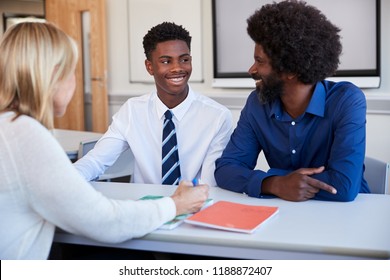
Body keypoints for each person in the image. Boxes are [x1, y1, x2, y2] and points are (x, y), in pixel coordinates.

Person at [0, 21, 208, 260]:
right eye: (73, 72)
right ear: (54, 75)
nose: (74, 82)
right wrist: (176, 204)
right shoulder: (25, 135)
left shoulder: (10, 128)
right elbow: (104, 221)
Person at [215, 0, 370, 202]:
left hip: (348, 216)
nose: (251, 70)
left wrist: (277, 179)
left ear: (290, 70)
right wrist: (275, 184)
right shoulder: (257, 103)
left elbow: (343, 186)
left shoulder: (346, 100)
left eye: (260, 61)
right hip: (284, 214)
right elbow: (226, 169)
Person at [74, 22, 232, 187]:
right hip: (145, 207)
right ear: (150, 67)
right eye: (166, 61)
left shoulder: (217, 117)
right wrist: (65, 181)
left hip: (194, 206)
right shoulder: (132, 110)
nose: (177, 68)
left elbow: (209, 184)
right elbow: (96, 161)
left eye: (184, 60)